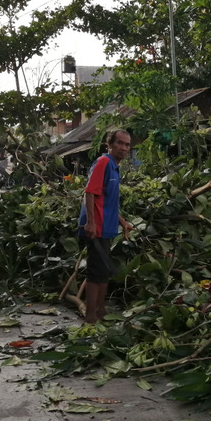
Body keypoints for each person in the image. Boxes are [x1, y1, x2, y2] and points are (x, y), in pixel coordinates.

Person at [77, 129, 134, 324]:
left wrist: (123, 222)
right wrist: (90, 222)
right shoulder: (103, 163)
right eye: (120, 143)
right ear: (109, 144)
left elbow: (107, 201)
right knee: (96, 274)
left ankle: (100, 311)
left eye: (127, 144)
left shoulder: (115, 168)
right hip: (97, 228)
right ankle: (91, 316)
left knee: (104, 272)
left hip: (108, 228)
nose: (124, 148)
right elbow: (90, 193)